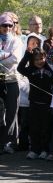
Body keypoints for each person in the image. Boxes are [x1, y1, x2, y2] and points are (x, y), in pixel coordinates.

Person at [17, 36, 53, 160]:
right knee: (34, 128)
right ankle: (34, 149)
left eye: (42, 58)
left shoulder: (48, 69)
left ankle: (45, 149)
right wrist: (28, 55)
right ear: (33, 60)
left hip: (47, 103)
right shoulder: (30, 70)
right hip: (33, 103)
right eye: (37, 59)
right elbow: (20, 68)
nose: (40, 61)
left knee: (46, 128)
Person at [0, 13, 23, 154]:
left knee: (12, 112)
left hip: (12, 80)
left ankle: (10, 142)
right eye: (4, 25)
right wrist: (6, 55)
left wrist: (2, 56)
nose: (7, 28)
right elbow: (10, 57)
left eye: (10, 25)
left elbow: (15, 59)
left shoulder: (17, 41)